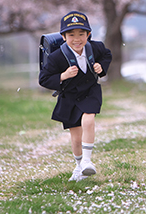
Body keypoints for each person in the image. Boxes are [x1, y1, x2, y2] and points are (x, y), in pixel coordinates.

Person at [39, 11, 112, 181]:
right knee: (76, 136)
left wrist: (101, 66)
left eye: (81, 34)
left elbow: (107, 54)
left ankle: (87, 161)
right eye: (71, 35)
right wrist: (63, 76)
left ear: (89, 35)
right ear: (63, 37)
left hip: (90, 91)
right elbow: (43, 78)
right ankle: (79, 167)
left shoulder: (95, 47)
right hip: (69, 96)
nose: (77, 39)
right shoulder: (57, 57)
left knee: (88, 119)